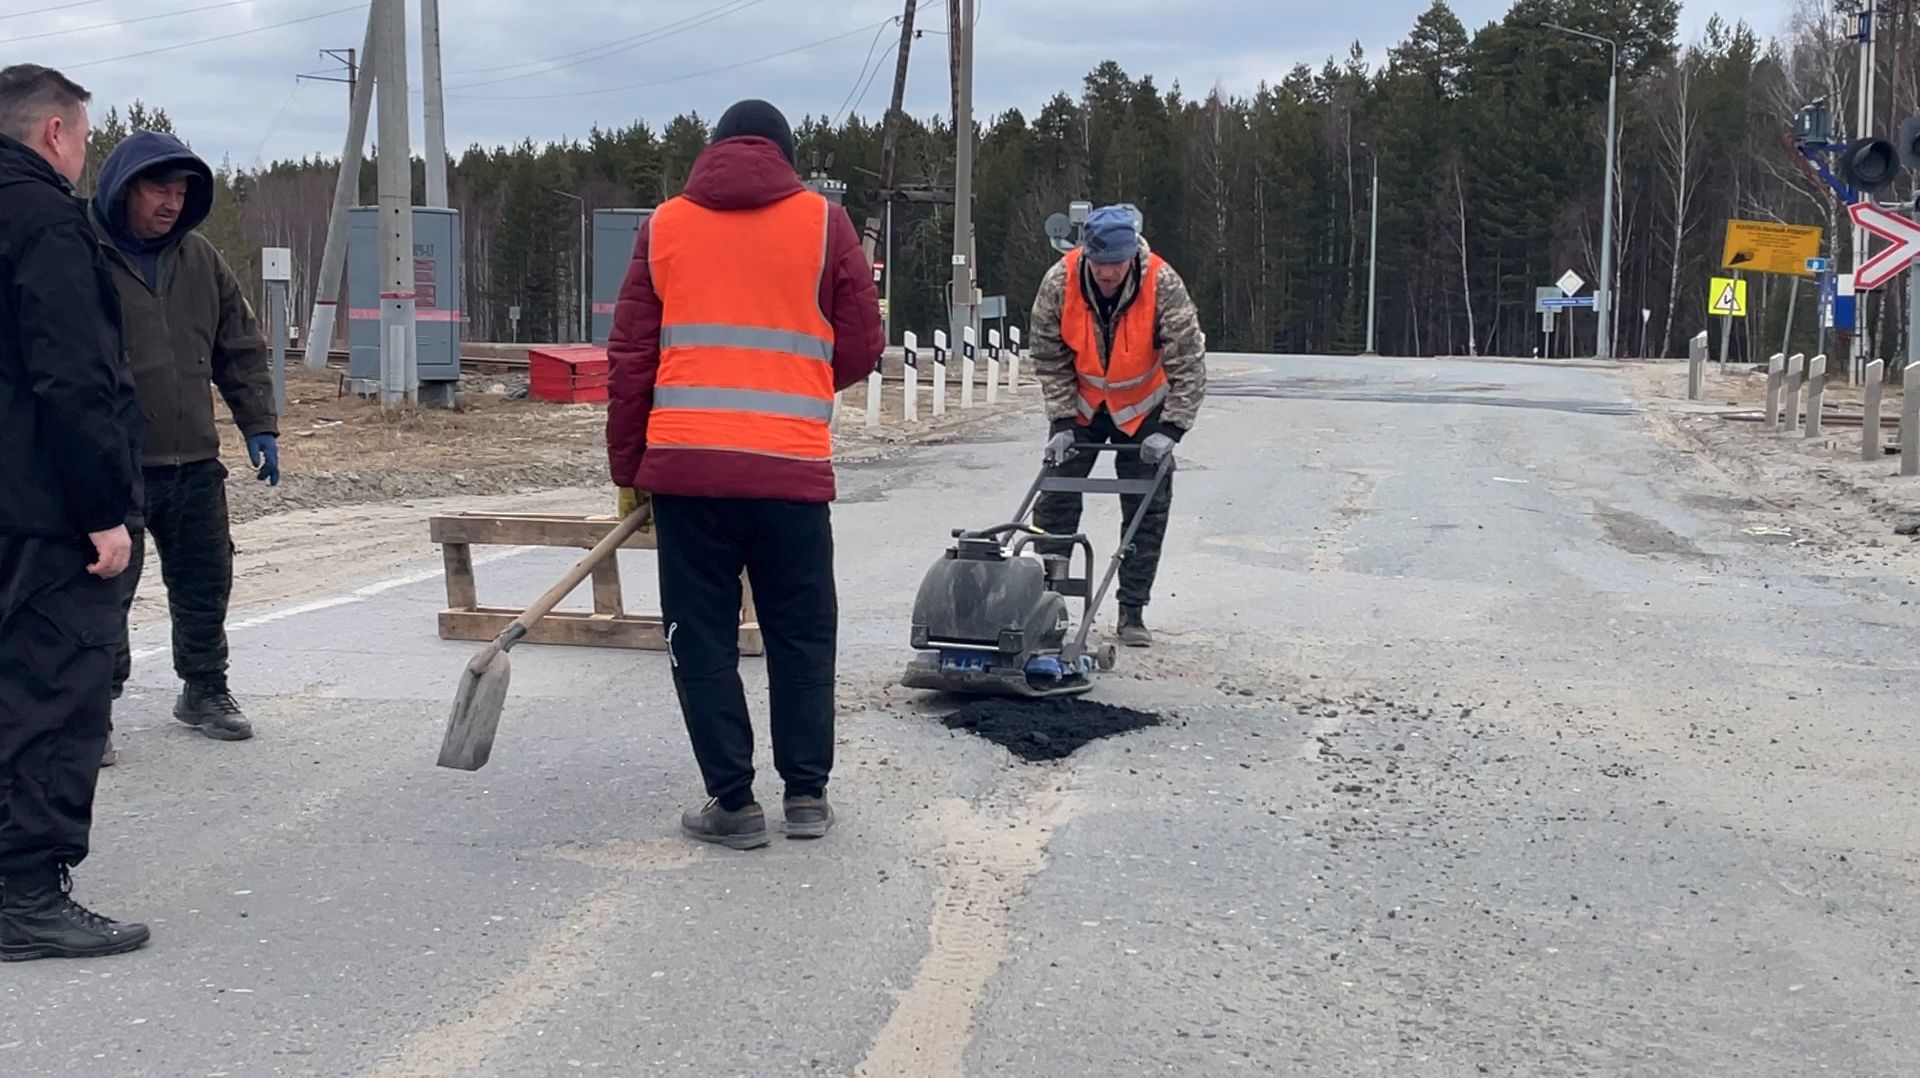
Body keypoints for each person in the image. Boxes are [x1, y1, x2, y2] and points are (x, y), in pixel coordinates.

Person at [605, 98, 883, 850]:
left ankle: (733, 803)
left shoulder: (664, 226)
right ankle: (805, 797)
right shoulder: (825, 224)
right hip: (790, 471)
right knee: (801, 633)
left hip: (689, 473)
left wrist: (631, 467)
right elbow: (863, 343)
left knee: (701, 639)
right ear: (786, 155)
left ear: (713, 150)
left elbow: (631, 361)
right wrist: (800, 381)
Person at [0, 62, 152, 960]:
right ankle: (24, 894)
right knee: (53, 691)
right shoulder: (45, 222)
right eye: (84, 138)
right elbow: (75, 378)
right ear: (55, 133)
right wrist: (103, 511)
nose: (83, 154)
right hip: (44, 509)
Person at [90, 129, 279, 759]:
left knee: (205, 580)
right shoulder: (80, 253)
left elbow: (241, 347)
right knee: (103, 592)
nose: (170, 204)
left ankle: (204, 688)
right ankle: (95, 711)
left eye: (180, 193)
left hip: (194, 458)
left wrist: (259, 424)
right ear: (124, 186)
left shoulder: (200, 259)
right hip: (112, 462)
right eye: (158, 189)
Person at [1027, 204, 1207, 648]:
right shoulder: (1059, 282)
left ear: (1132, 257)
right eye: (1100, 264)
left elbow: (1190, 360)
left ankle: (1132, 610)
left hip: (1145, 407)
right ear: (1086, 254)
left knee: (1146, 506)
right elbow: (1049, 356)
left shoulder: (1162, 283)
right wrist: (1062, 421)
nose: (1107, 274)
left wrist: (1172, 429)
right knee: (1055, 497)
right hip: (1084, 404)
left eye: (1116, 265)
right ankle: (1049, 597)